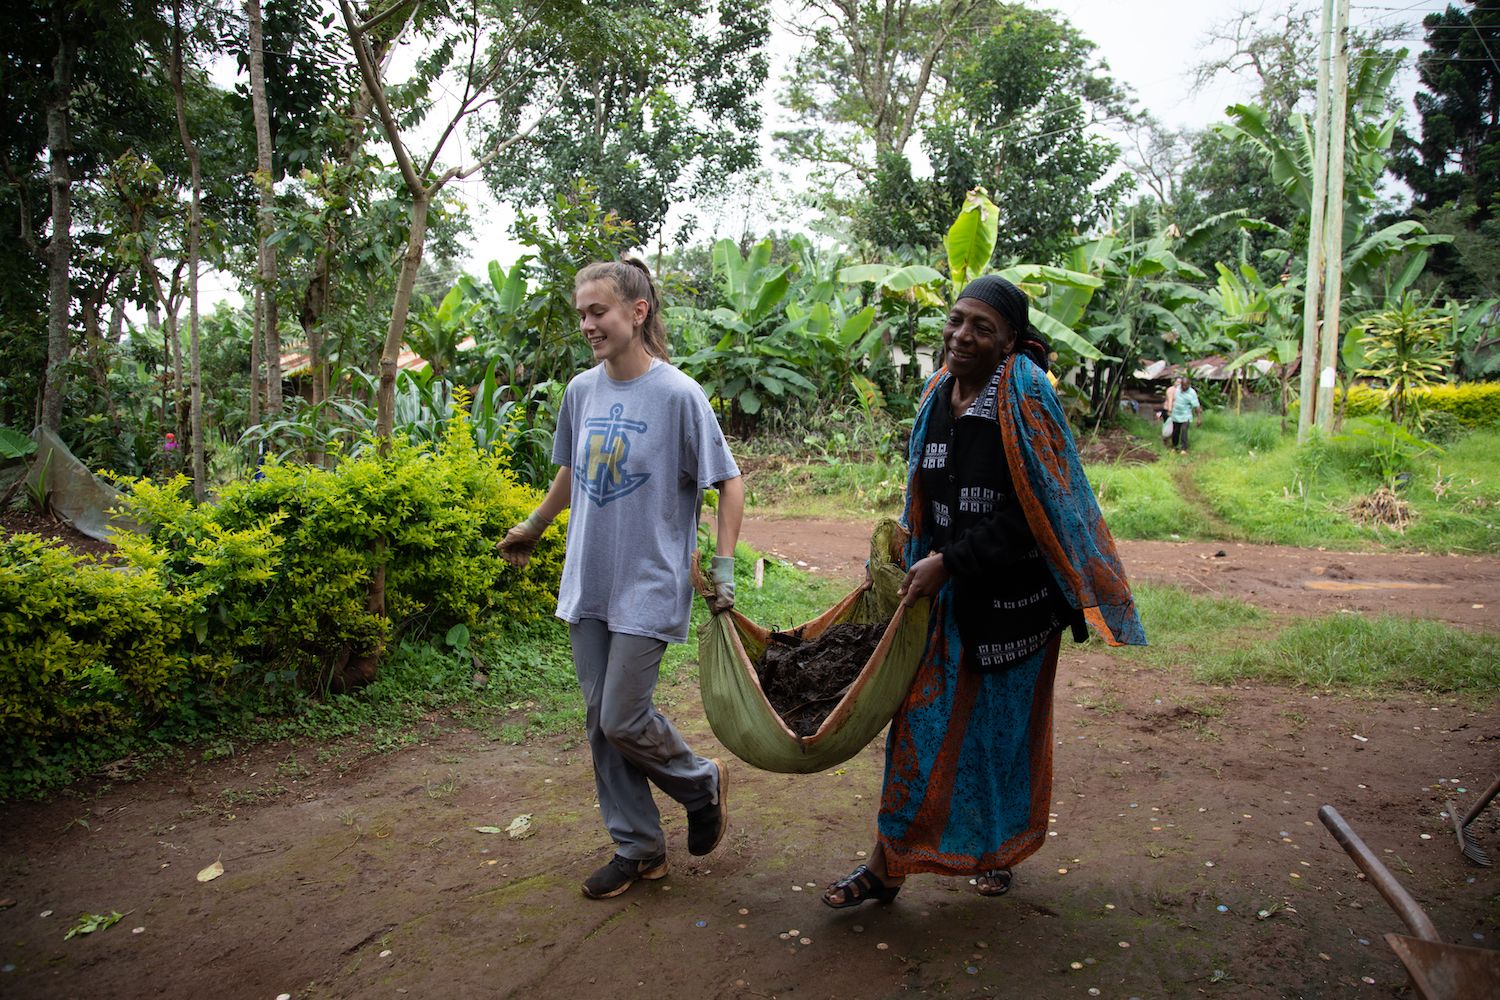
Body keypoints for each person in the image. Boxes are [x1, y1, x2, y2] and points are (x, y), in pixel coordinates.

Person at [822, 275, 1145, 908]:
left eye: (982, 328)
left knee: (1000, 739)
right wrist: (910, 560)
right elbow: (923, 491)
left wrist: (952, 561)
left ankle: (997, 853)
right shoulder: (938, 392)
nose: (962, 335)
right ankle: (886, 866)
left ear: (1009, 343)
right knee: (915, 727)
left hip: (1015, 606)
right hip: (943, 598)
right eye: (958, 320)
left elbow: (1039, 511)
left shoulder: (1025, 397)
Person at [499, 258, 745, 900]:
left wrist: (721, 569)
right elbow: (571, 473)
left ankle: (700, 783)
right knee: (597, 719)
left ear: (637, 313)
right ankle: (638, 847)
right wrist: (533, 526)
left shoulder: (678, 395)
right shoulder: (581, 392)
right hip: (590, 576)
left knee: (622, 716)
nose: (588, 324)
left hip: (650, 578)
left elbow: (729, 479)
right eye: (581, 313)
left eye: (598, 311)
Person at [1168, 375, 1202, 454]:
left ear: (1189, 385)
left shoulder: (1192, 393)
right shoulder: (1178, 388)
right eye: (1182, 385)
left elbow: (1197, 407)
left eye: (1185, 386)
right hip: (1176, 414)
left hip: (1185, 416)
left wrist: (1199, 418)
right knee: (1175, 431)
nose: (1183, 387)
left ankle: (1184, 449)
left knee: (1184, 432)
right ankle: (1174, 446)